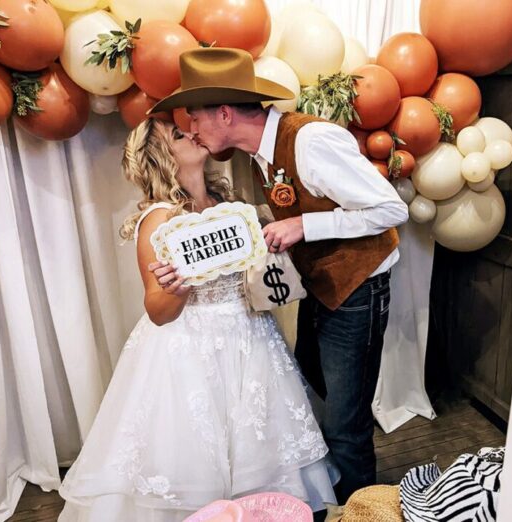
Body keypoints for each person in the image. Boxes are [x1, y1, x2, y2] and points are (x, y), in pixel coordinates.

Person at [150, 47, 409, 503]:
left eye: (193, 118)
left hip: (360, 290)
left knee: (345, 424)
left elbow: (391, 208)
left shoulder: (311, 141)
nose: (191, 130)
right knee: (318, 381)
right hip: (324, 288)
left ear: (224, 113)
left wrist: (304, 225)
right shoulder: (259, 155)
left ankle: (365, 509)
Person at [58, 118, 337, 522]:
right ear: (160, 156)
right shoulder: (160, 219)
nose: (190, 132)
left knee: (257, 448)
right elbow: (157, 312)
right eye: (176, 134)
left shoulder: (227, 206)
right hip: (190, 350)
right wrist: (179, 286)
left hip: (249, 336)